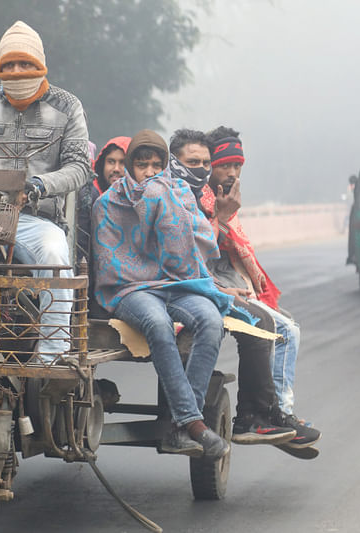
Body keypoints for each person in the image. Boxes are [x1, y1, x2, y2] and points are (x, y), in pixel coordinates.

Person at [93, 129, 282, 459]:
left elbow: (198, 247)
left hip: (177, 283)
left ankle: (183, 424)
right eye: (141, 165)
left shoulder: (177, 193)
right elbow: (112, 264)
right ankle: (194, 423)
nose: (149, 173)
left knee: (210, 320)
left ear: (164, 167)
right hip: (131, 288)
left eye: (156, 165)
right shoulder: (107, 204)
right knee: (157, 323)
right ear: (129, 167)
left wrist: (168, 207)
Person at [173, 128, 321, 452]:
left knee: (282, 325)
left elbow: (228, 255)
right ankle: (262, 416)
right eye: (223, 165)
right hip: (193, 285)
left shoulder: (219, 198)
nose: (231, 172)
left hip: (214, 281)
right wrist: (222, 220)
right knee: (275, 328)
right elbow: (191, 256)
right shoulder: (186, 196)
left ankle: (275, 415)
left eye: (237, 166)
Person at [0, 20, 91, 363]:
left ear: (41, 66)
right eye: (9, 65)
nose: (17, 72)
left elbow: (79, 167)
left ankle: (51, 356)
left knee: (56, 256)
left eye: (25, 64)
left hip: (37, 220)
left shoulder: (67, 106)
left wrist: (36, 188)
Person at [76, 136, 131, 266]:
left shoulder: (139, 202)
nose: (116, 168)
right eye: (111, 162)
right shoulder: (90, 197)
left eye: (122, 162)